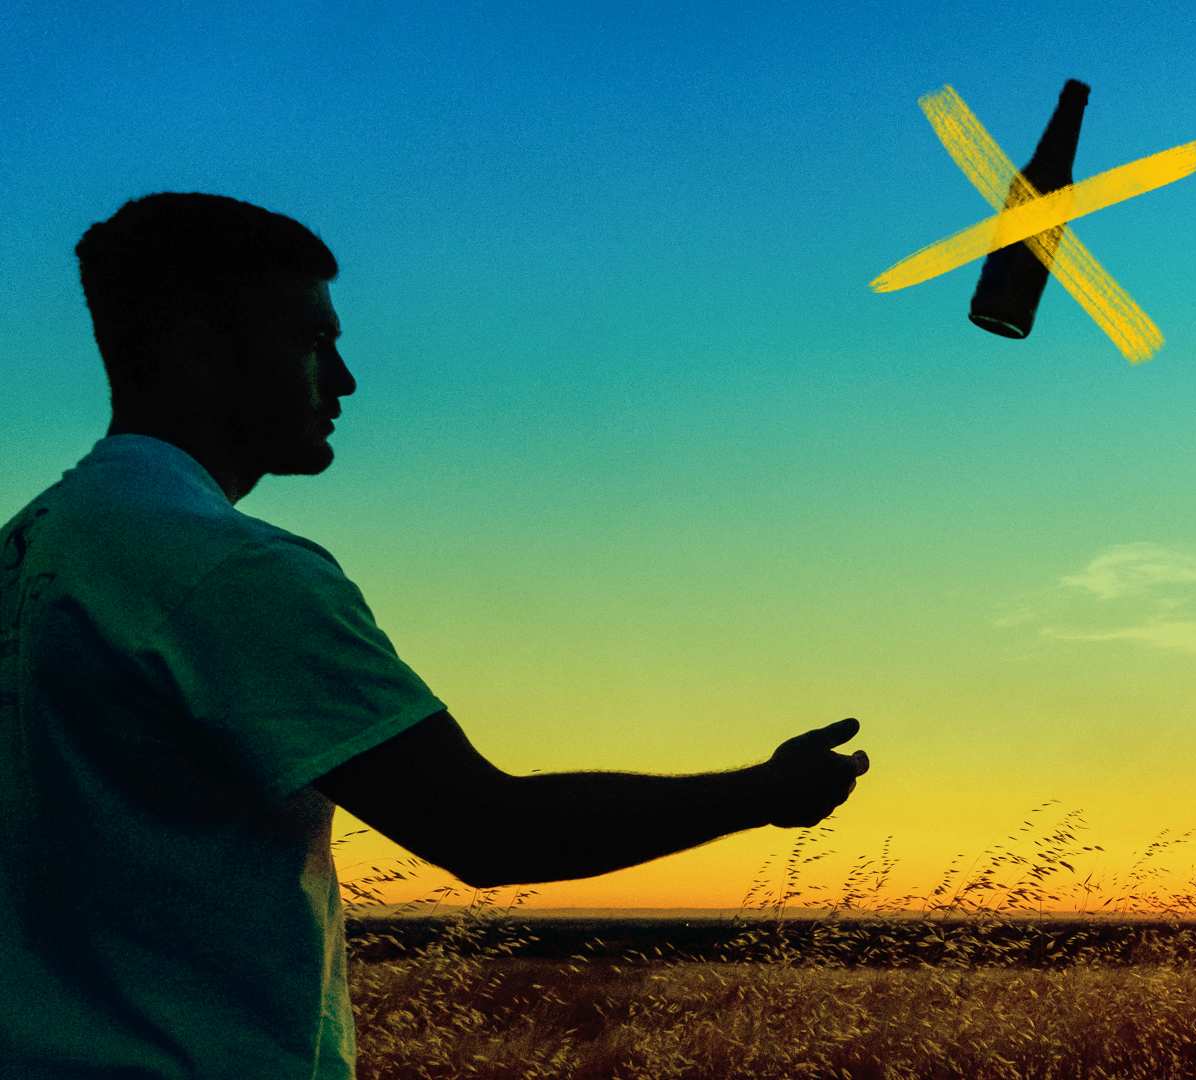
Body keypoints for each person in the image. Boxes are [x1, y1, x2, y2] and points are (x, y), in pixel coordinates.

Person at [0, 191, 870, 1079]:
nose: (344, 379)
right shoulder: (225, 569)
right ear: (196, 343)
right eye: (312, 340)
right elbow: (485, 830)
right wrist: (762, 793)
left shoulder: (31, 551)